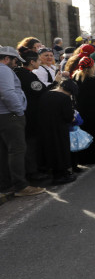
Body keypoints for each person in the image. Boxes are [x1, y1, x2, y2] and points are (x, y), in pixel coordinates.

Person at [0, 47, 45, 197]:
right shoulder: (4, 70)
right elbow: (7, 93)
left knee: (5, 151)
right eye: (15, 60)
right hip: (10, 116)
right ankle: (20, 186)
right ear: (6, 59)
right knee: (17, 150)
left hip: (5, 115)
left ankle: (7, 184)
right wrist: (19, 110)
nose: (16, 64)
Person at [14, 49, 48, 182]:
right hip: (31, 113)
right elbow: (41, 90)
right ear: (32, 62)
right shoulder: (27, 75)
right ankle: (32, 172)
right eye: (38, 60)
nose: (40, 62)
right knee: (31, 143)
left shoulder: (21, 73)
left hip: (27, 112)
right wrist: (56, 83)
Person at [37, 79, 78, 185]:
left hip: (45, 128)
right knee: (61, 151)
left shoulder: (46, 94)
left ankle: (54, 173)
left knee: (50, 150)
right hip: (59, 129)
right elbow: (68, 117)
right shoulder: (64, 98)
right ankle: (61, 175)